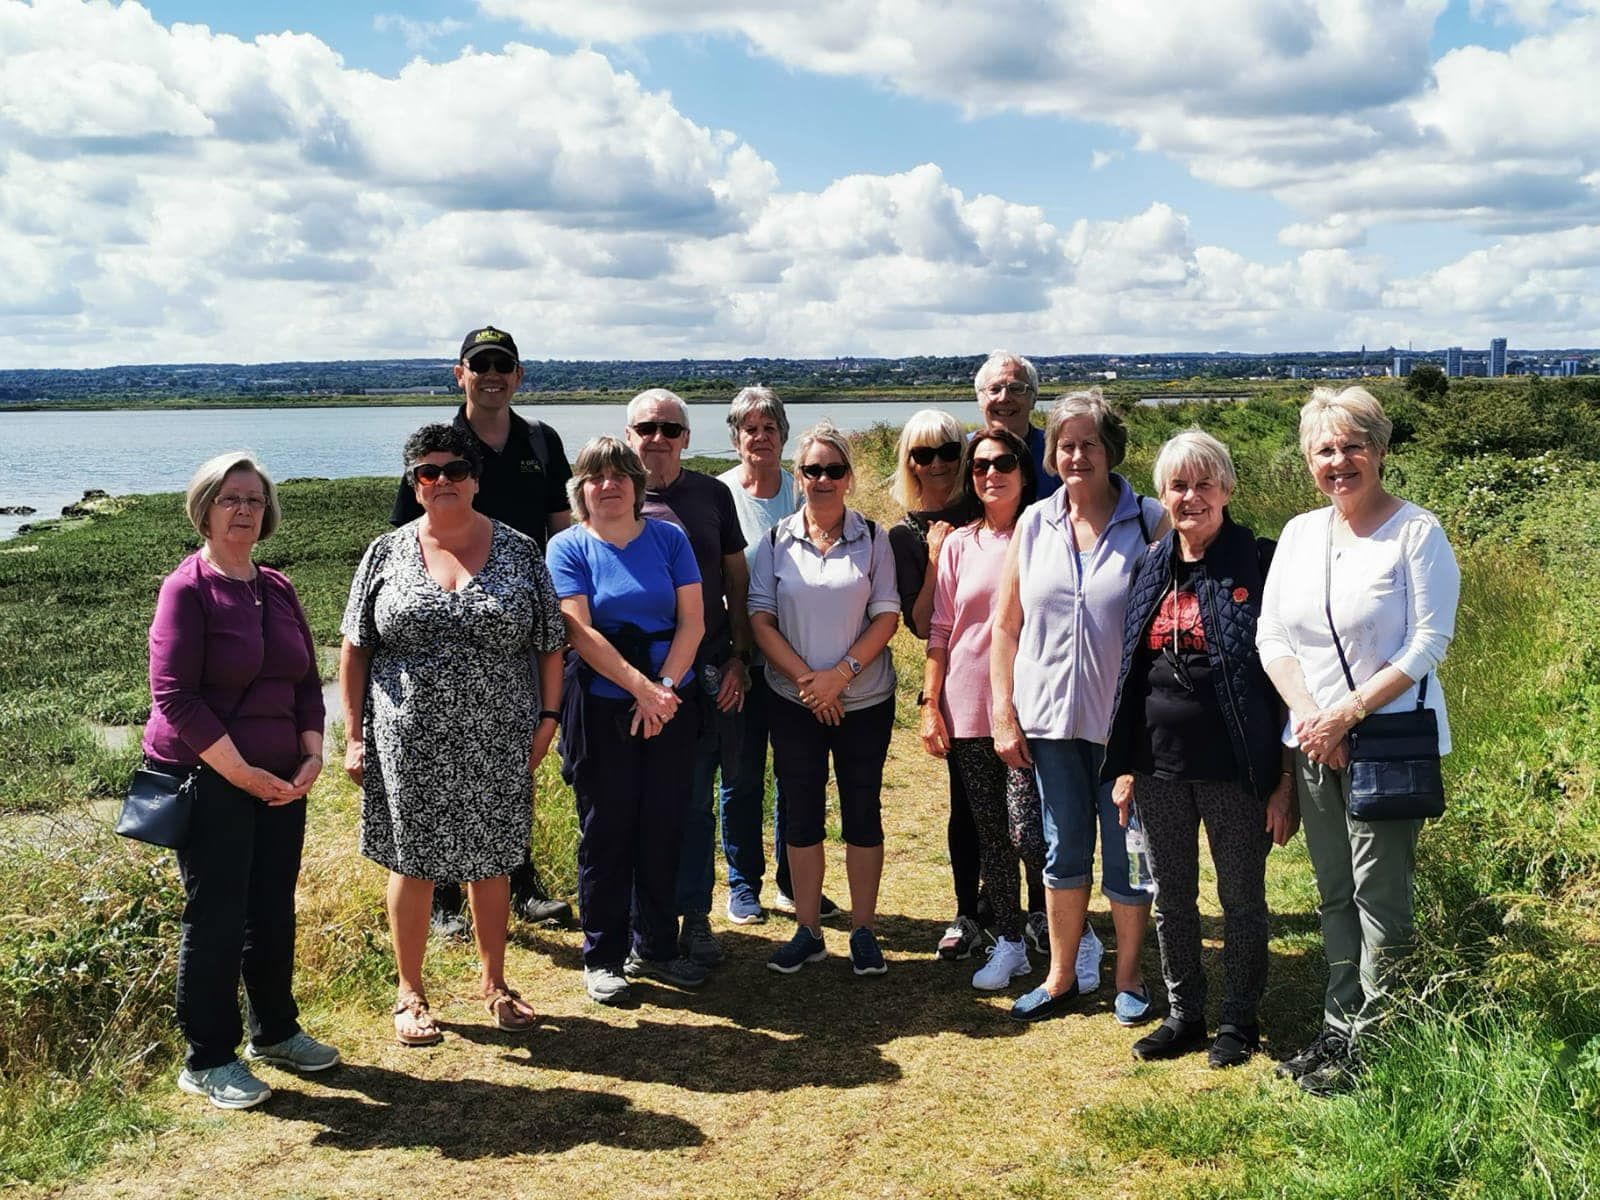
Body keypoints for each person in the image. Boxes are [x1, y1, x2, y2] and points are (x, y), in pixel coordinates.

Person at [1258, 387, 1460, 1095]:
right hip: (1316, 741)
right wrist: (1314, 719)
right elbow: (1273, 636)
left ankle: (1379, 1042)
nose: (1339, 461)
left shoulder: (1416, 532)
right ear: (1308, 459)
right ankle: (1338, 1028)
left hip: (1387, 743)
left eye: (1353, 446)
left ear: (1379, 449)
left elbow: (1428, 642)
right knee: (1335, 893)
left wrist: (1345, 716)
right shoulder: (1299, 534)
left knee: (1381, 897)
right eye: (1325, 449)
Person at [341, 424, 567, 1045]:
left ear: (476, 479)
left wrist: (548, 720)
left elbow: (550, 644)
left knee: (492, 859)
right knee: (411, 862)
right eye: (428, 471)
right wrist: (355, 735)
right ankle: (410, 993)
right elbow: (356, 648)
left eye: (456, 470)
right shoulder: (384, 553)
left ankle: (495, 984)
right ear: (414, 484)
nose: (442, 480)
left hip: (499, 735)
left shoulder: (520, 551)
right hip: (406, 739)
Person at [145, 452, 337, 1110]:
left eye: (255, 499)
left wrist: (312, 755)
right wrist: (243, 774)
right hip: (209, 778)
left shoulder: (277, 587)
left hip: (282, 779)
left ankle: (275, 1032)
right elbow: (175, 696)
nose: (245, 510)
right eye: (231, 498)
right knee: (217, 917)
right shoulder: (186, 589)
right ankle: (207, 1059)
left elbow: (306, 680)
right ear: (204, 509)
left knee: (272, 909)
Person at [1101, 429, 1298, 1068]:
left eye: (1204, 483)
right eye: (1178, 486)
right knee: (1173, 898)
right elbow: (1131, 672)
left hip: (1236, 770)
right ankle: (1185, 1013)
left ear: (1228, 489)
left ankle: (1238, 1019)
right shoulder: (1149, 566)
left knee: (1241, 901)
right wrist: (1125, 767)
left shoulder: (1260, 562)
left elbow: (1287, 679)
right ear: (1162, 495)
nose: (1191, 497)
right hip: (1157, 766)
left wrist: (1284, 780)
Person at [390, 325, 573, 936]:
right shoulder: (439, 446)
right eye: (480, 364)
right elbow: (401, 539)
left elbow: (561, 530)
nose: (491, 375)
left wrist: (558, 616)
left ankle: (519, 882)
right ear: (460, 374)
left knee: (510, 764)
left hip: (513, 627)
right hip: (443, 631)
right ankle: (444, 896)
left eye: (502, 365)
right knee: (439, 762)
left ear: (518, 375)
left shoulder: (541, 441)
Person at [991, 389, 1167, 1023]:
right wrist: (1003, 711)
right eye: (1065, 445)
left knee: (1127, 852)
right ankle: (1060, 976)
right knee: (1062, 849)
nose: (1076, 456)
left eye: (1089, 443)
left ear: (1110, 449)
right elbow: (1005, 626)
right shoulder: (1035, 523)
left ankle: (1129, 977)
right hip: (1049, 723)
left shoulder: (1150, 522)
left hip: (1125, 728)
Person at [546, 437, 708, 1005]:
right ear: (581, 490)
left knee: (664, 824)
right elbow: (578, 630)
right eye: (596, 476)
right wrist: (641, 689)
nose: (608, 485)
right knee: (606, 830)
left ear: (638, 486)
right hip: (601, 704)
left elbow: (693, 621)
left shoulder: (669, 538)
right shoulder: (567, 546)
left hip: (672, 700)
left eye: (620, 474)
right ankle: (603, 956)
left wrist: (663, 691)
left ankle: (657, 946)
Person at [751, 422, 901, 976]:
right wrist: (810, 684)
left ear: (849, 478)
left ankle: (863, 930)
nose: (823, 479)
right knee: (801, 810)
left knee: (862, 808)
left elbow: (886, 615)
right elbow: (760, 619)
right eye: (812, 469)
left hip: (864, 699)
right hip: (793, 700)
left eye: (834, 470)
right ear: (798, 476)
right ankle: (808, 930)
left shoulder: (874, 538)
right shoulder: (776, 540)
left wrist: (839, 676)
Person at [624, 388, 752, 967]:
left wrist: (739, 657)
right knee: (634, 803)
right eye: (646, 428)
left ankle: (695, 916)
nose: (658, 438)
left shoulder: (712, 494)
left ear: (687, 438)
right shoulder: (609, 493)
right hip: (630, 677)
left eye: (670, 429)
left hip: (703, 672)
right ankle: (640, 922)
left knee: (696, 802)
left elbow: (736, 581)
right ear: (629, 435)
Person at [920, 428, 1051, 991]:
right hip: (969, 706)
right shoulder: (958, 545)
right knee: (991, 834)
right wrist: (930, 703)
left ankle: (1055, 919)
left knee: (1031, 833)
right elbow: (940, 629)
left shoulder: (1047, 534)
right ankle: (1009, 940)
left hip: (1034, 705)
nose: (991, 474)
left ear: (1023, 471)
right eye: (979, 466)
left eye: (1002, 463)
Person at [888, 409, 993, 960]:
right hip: (956, 680)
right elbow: (920, 621)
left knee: (1023, 801)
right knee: (967, 802)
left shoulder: (988, 506)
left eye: (949, 452)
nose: (936, 465)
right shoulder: (904, 534)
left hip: (1012, 673)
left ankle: (1022, 909)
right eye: (922, 455)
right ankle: (967, 910)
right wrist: (935, 558)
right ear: (909, 462)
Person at [715, 387, 816, 923]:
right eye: (749, 428)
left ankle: (792, 882)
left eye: (769, 427)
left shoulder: (805, 490)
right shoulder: (720, 494)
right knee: (742, 775)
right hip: (741, 660)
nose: (760, 437)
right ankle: (742, 883)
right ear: (735, 438)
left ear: (784, 434)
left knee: (797, 775)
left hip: (798, 660)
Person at [973, 351, 1061, 502]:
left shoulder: (1057, 452)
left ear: (1033, 399)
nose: (1004, 398)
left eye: (1016, 388)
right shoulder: (959, 453)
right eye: (994, 389)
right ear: (979, 400)